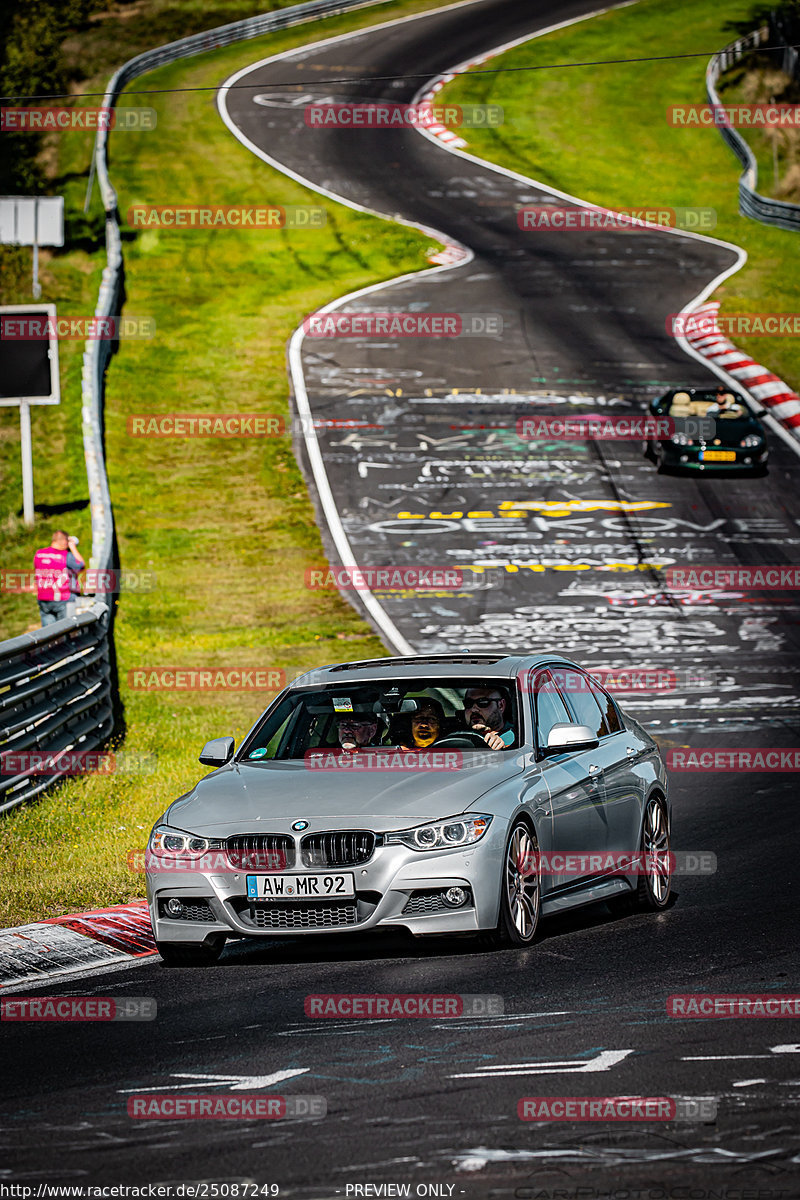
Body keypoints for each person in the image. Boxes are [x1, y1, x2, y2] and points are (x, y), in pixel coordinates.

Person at [33, 530, 85, 626]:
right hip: (62, 598)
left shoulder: (38, 554)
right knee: (64, 631)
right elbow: (81, 565)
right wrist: (73, 547)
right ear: (65, 542)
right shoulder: (65, 556)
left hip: (43, 598)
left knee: (48, 634)